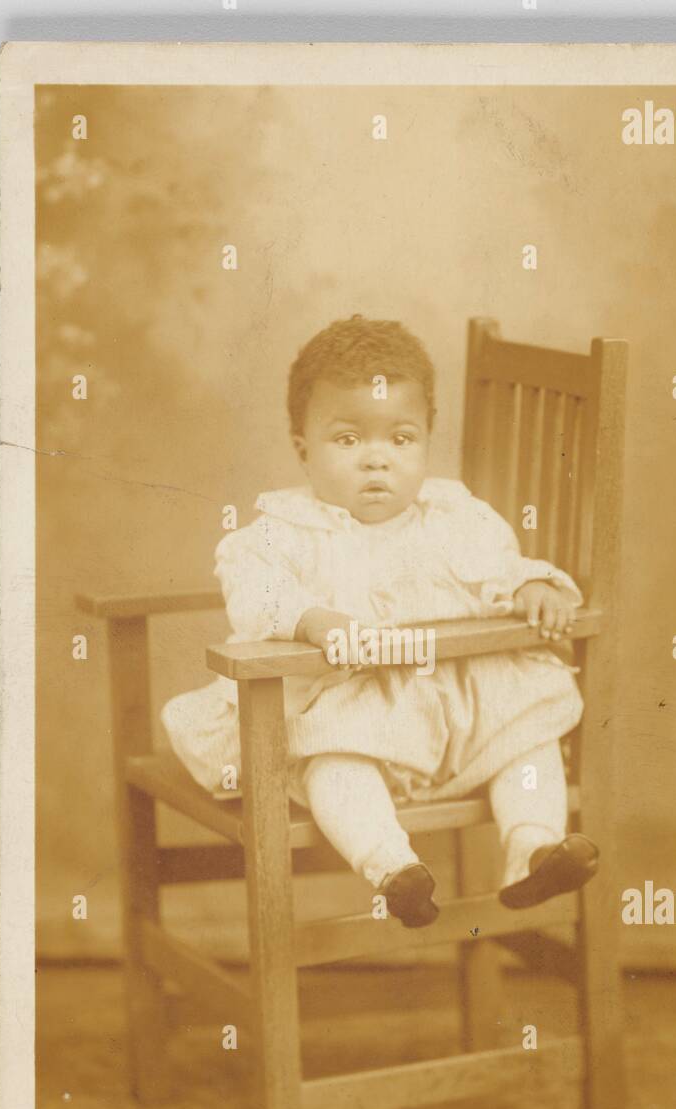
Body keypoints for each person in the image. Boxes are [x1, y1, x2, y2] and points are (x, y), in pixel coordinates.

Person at [161, 316, 599, 927]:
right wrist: (309, 618)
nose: (377, 461)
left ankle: (533, 848)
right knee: (332, 762)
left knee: (527, 735)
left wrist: (531, 584)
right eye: (348, 440)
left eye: (401, 439)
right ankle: (393, 869)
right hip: (348, 716)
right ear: (302, 446)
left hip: (460, 721)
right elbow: (250, 584)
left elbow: (497, 567)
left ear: (426, 440)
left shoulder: (452, 515)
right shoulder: (284, 531)